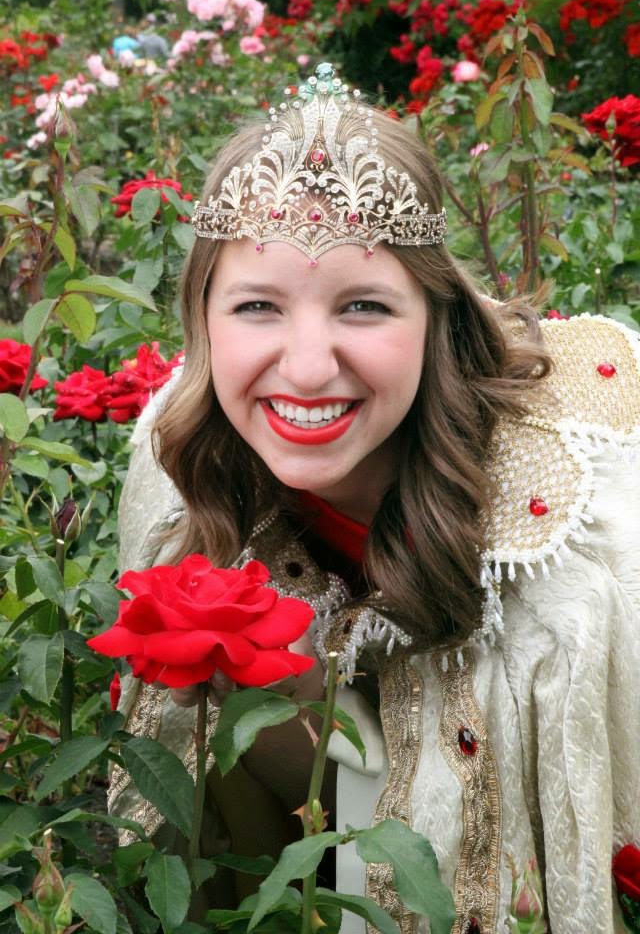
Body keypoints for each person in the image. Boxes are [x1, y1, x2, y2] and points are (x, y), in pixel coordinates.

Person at [108, 62, 640, 932]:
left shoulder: (574, 496)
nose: (309, 366)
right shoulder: (181, 461)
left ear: (439, 319)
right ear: (200, 317)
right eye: (256, 307)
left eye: (362, 306)